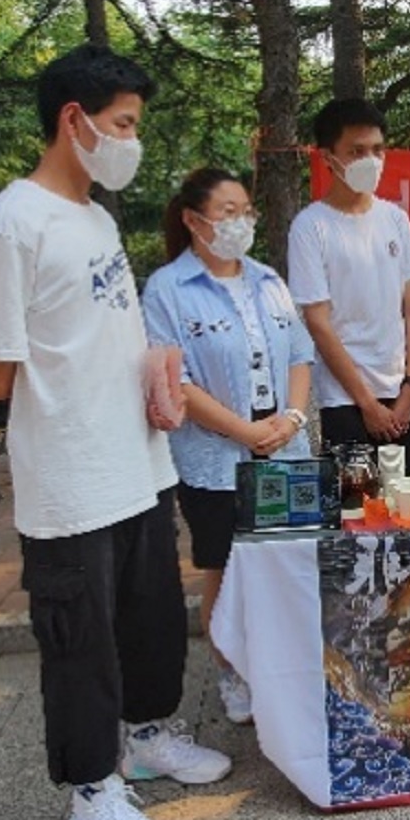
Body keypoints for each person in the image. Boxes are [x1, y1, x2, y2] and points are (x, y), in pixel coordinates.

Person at [0, 45, 230, 820]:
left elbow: (96, 333)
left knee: (152, 618)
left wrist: (150, 368)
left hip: (137, 463)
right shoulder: (12, 224)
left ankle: (145, 738)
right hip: (70, 477)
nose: (131, 142)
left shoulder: (99, 220)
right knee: (81, 641)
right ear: (74, 121)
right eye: (123, 124)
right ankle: (90, 791)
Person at [142, 167, 313, 725]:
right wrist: (244, 432)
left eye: (247, 212)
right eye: (227, 212)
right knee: (225, 567)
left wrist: (291, 418)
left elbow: (299, 355)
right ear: (194, 221)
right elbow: (178, 381)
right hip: (216, 459)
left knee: (287, 563)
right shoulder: (168, 289)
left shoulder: (268, 280)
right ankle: (233, 671)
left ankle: (286, 668)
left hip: (284, 447)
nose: (241, 222)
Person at [288, 98, 410, 473]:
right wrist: (367, 403)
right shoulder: (310, 227)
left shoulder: (395, 219)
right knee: (356, 505)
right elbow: (318, 322)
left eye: (377, 150)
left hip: (402, 393)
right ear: (328, 156)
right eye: (356, 151)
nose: (371, 160)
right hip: (345, 400)